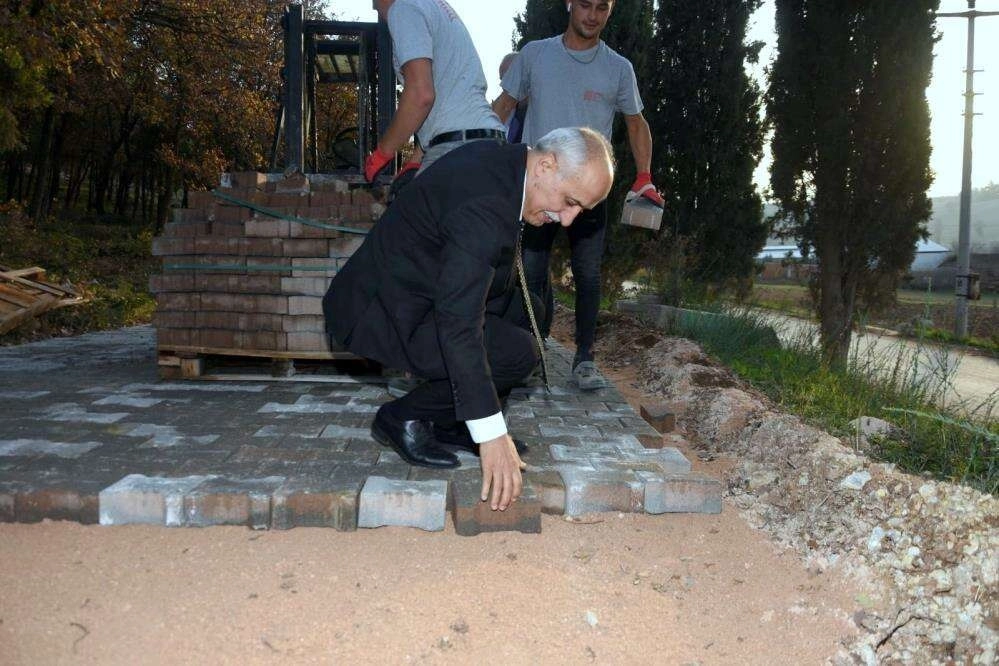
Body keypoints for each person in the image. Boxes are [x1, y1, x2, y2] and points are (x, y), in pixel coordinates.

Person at [324, 127, 615, 511]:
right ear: (546, 166)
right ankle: (401, 417)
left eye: (580, 210)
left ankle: (453, 423)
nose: (567, 220)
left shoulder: (508, 166)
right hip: (381, 310)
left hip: (421, 287)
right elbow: (458, 323)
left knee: (529, 312)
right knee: (517, 353)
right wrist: (491, 432)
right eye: (570, 201)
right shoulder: (485, 204)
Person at [491, 0, 665, 391]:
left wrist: (644, 176)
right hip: (541, 190)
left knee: (587, 275)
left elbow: (637, 124)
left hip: (588, 195)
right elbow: (502, 107)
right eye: (585, 4)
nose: (592, 15)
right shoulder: (535, 55)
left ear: (610, 10)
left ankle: (584, 359)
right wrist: (483, 153)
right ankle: (532, 351)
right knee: (531, 273)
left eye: (602, 7)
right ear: (570, 3)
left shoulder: (618, 68)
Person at [363, 0, 507, 187]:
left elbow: (421, 95)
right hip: (488, 144)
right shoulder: (431, 6)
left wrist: (382, 152)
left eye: (376, 6)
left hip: (458, 151)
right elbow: (446, 98)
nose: (378, 11)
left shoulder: (403, 8)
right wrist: (416, 160)